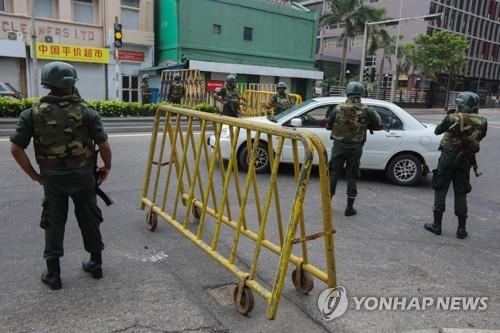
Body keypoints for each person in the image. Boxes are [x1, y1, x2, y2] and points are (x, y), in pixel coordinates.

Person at [10, 61, 112, 290]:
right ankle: (96, 264)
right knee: (89, 217)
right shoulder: (87, 111)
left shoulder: (32, 114)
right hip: (84, 177)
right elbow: (104, 146)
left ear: (47, 85)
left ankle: (53, 275)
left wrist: (35, 175)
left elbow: (16, 149)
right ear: (72, 84)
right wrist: (107, 167)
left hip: (53, 180)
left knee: (53, 223)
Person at [424, 91, 487, 239]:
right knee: (461, 192)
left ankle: (437, 225)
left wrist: (450, 118)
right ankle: (461, 229)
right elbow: (480, 137)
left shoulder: (452, 118)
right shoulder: (482, 120)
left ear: (460, 104)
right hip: (465, 158)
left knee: (441, 188)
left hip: (448, 157)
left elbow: (438, 130)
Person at [326, 81, 382, 216]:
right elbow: (378, 123)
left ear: (347, 93)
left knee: (334, 174)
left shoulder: (338, 108)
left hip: (339, 146)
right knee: (352, 176)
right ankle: (349, 208)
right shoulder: (367, 110)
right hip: (356, 148)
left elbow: (329, 124)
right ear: (361, 94)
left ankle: (327, 205)